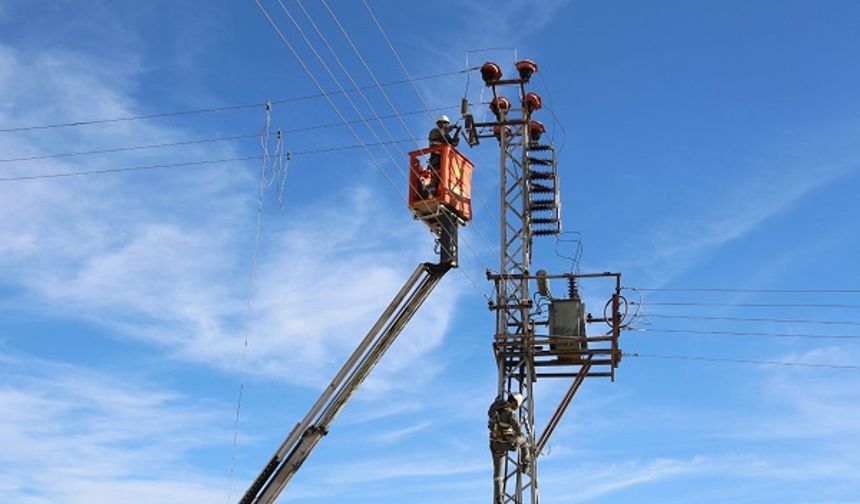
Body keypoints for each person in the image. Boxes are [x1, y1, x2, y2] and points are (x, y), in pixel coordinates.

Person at [488, 393, 531, 504]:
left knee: (498, 475)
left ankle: (499, 498)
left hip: (494, 445)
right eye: (516, 405)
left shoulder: (495, 408)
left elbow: (491, 411)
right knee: (524, 442)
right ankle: (525, 463)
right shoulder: (510, 414)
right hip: (505, 444)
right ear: (515, 403)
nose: (516, 408)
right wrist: (519, 434)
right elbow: (518, 431)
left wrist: (497, 400)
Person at [424, 114, 460, 198]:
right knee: (436, 176)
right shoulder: (434, 132)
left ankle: (440, 194)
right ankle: (431, 194)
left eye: (446, 123)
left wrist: (457, 133)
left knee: (445, 177)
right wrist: (453, 127)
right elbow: (442, 131)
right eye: (442, 123)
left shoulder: (446, 136)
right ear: (438, 124)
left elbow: (453, 143)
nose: (444, 125)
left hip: (445, 160)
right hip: (435, 158)